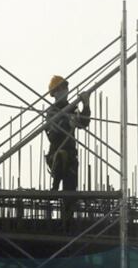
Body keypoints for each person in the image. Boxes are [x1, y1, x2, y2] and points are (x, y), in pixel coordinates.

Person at [45, 75, 91, 227]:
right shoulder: (51, 111)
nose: (65, 90)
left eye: (65, 87)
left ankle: (67, 222)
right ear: (55, 92)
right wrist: (66, 122)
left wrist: (86, 104)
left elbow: (84, 123)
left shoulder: (72, 107)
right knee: (61, 155)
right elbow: (53, 135)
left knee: (70, 193)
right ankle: (54, 187)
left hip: (71, 156)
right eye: (62, 88)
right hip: (56, 156)